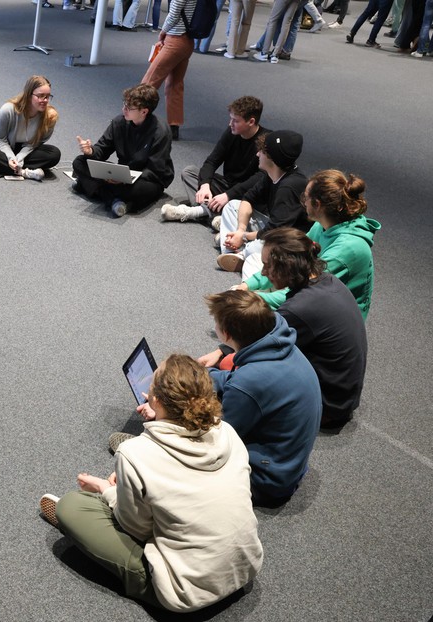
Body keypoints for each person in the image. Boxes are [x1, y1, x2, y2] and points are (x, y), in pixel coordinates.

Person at [40, 354, 263, 612]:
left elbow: (136, 528)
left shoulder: (135, 453)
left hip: (185, 593)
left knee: (71, 506)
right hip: (245, 569)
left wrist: (108, 491)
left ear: (155, 400)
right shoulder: (228, 432)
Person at [200, 290, 321, 505]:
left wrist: (169, 415)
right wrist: (202, 376)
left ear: (226, 334)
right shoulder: (283, 347)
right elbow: (236, 378)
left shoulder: (248, 382)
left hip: (266, 482)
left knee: (186, 459)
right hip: (289, 463)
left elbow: (216, 440)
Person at [259, 228, 368, 429]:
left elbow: (259, 348)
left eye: (268, 266)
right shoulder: (328, 280)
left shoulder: (299, 309)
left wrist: (223, 353)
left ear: (287, 266)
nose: (263, 272)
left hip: (326, 406)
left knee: (238, 376)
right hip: (343, 398)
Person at [240, 169, 380, 318]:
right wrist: (247, 286)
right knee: (255, 261)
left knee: (252, 310)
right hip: (313, 288)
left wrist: (253, 299)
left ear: (317, 204)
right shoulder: (323, 224)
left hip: (330, 317)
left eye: (305, 197)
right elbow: (292, 259)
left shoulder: (346, 249)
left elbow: (305, 293)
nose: (303, 202)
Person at [161, 96, 269, 224]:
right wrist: (205, 185)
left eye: (235, 121)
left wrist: (228, 195)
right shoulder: (232, 132)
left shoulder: (266, 141)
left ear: (251, 122)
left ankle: (197, 212)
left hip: (247, 193)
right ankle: (218, 217)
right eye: (231, 119)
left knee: (250, 202)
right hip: (227, 186)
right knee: (189, 172)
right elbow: (212, 161)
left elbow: (260, 178)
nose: (230, 124)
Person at [216, 130, 308, 278]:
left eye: (262, 152)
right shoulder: (272, 175)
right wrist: (240, 230)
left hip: (289, 242)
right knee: (233, 205)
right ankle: (234, 252)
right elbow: (247, 199)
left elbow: (275, 231)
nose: (258, 154)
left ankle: (241, 252)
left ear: (272, 159)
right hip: (272, 230)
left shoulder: (289, 187)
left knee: (261, 247)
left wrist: (244, 236)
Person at [72, 84, 173, 218]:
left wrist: (126, 178)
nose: (123, 109)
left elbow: (155, 170)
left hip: (147, 178)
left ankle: (92, 188)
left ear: (144, 111)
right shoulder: (119, 122)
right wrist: (90, 151)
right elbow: (102, 149)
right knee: (79, 162)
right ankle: (115, 200)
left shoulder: (161, 132)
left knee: (138, 190)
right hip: (122, 172)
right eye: (124, 104)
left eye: (129, 108)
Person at [0, 75, 61, 180]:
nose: (45, 100)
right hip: (5, 147)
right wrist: (11, 157)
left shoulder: (50, 116)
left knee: (54, 154)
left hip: (28, 150)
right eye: (41, 96)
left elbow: (35, 143)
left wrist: (20, 157)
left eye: (48, 96)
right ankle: (25, 172)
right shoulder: (8, 109)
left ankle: (2, 167)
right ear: (29, 95)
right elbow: (0, 139)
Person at [140, 0, 197, 140]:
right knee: (175, 85)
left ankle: (131, 120)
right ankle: (174, 127)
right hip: (188, 41)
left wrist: (162, 32)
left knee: (149, 82)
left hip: (175, 40)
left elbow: (174, 14)